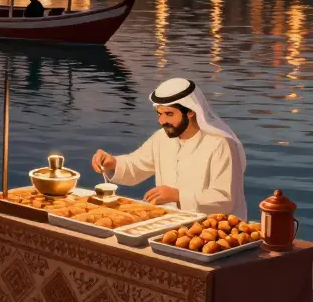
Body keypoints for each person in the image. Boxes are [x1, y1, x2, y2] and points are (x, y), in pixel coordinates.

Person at [91, 77, 247, 218]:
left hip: (213, 231)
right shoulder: (162, 138)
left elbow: (225, 199)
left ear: (191, 112)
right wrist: (112, 163)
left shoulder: (221, 144)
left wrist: (178, 196)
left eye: (169, 114)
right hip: (168, 223)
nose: (161, 120)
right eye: (159, 114)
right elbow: (137, 165)